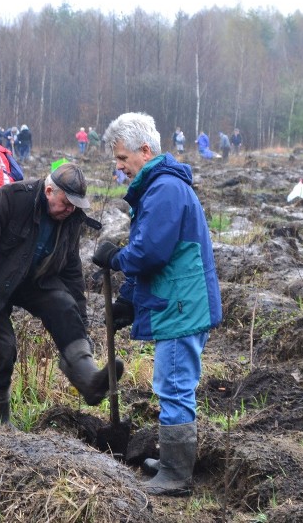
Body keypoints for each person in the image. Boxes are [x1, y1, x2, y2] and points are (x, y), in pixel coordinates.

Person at [92, 112, 222, 496]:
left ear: (144, 150)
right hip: (174, 300)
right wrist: (128, 302)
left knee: (175, 384)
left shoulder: (164, 189)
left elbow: (149, 253)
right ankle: (171, 462)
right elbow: (151, 260)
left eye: (121, 159)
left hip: (183, 306)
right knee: (172, 382)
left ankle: (176, 477)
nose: (119, 168)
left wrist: (114, 258)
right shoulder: (157, 188)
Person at [0, 162, 123, 426]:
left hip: (29, 279)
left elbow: (72, 268)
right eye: (66, 202)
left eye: (75, 205)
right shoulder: (12, 199)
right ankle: (0, 424)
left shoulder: (70, 218)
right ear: (49, 190)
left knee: (64, 305)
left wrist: (80, 323)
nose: (70, 209)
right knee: (4, 348)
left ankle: (87, 378)